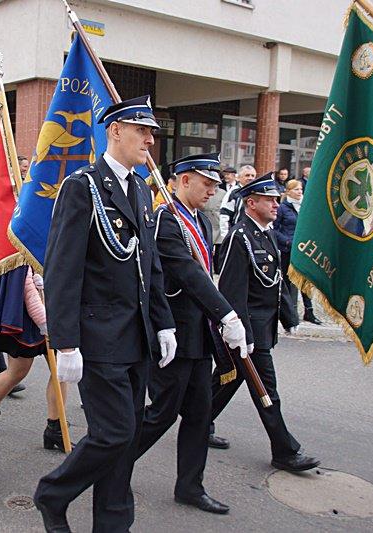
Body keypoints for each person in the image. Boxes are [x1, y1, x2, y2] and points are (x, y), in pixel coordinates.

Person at [33, 95, 176, 533]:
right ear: (115, 130)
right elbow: (62, 268)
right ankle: (52, 494)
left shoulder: (137, 186)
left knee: (127, 437)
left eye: (152, 133)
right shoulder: (83, 186)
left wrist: (164, 320)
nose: (150, 140)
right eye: (142, 130)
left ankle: (113, 524)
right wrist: (66, 341)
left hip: (135, 337)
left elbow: (148, 261)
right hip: (96, 337)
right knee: (114, 433)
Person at [136, 154, 248, 515]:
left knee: (200, 415)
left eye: (216, 185)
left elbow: (205, 275)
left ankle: (190, 486)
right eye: (206, 184)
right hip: (174, 334)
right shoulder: (166, 221)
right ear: (184, 180)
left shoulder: (201, 220)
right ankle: (110, 464)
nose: (212, 191)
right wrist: (227, 313)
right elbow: (187, 273)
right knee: (161, 414)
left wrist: (220, 318)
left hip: (199, 334)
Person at [210, 174, 320, 472]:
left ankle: (199, 417)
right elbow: (232, 291)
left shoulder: (267, 233)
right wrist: (239, 331)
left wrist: (289, 317)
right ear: (251, 202)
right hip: (247, 332)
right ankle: (284, 450)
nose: (276, 204)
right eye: (270, 199)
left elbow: (277, 282)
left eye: (276, 198)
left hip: (264, 327)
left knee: (229, 378)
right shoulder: (239, 237)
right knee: (266, 390)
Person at [0, 265, 70, 451]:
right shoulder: (23, 242)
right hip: (28, 316)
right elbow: (25, 284)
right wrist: (43, 320)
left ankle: (55, 428)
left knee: (62, 369)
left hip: (53, 309)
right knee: (18, 371)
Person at [273, 179, 321, 325]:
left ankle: (309, 311)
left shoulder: (306, 206)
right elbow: (274, 229)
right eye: (296, 189)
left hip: (304, 249)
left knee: (305, 280)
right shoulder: (282, 208)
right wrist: (286, 241)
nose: (299, 192)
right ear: (288, 191)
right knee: (288, 282)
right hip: (288, 249)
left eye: (300, 189)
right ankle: (289, 312)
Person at [201, 162, 233, 261]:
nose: (211, 191)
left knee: (218, 253)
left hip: (217, 223)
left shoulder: (223, 193)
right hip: (206, 220)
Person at [218, 164, 256, 243]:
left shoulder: (257, 193)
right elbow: (224, 215)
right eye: (247, 175)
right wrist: (226, 237)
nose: (250, 178)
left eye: (253, 175)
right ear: (239, 177)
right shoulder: (234, 193)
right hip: (236, 237)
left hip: (253, 236)